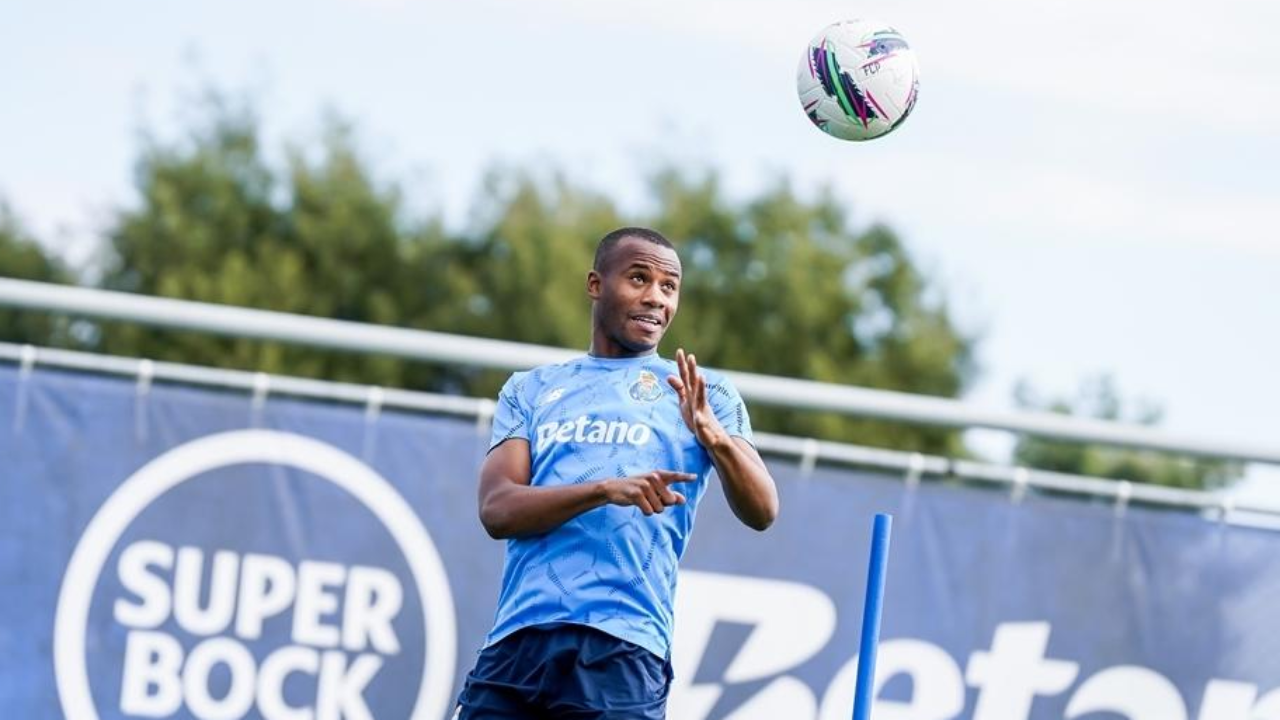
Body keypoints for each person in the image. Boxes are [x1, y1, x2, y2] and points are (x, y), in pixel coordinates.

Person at [455, 227, 779, 719]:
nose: (656, 298)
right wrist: (604, 490)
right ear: (595, 284)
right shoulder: (531, 389)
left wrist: (714, 438)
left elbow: (763, 511)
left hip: (622, 650)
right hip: (516, 644)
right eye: (638, 278)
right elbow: (497, 510)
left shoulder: (704, 392)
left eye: (669, 287)